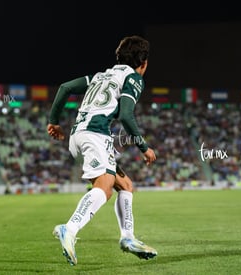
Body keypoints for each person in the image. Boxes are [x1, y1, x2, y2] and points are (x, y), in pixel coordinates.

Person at [47, 35, 158, 266]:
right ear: (144, 63)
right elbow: (127, 115)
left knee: (125, 185)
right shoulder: (134, 78)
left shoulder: (100, 75)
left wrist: (54, 121)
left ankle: (128, 238)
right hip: (95, 135)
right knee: (105, 188)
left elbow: (65, 87)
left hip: (79, 135)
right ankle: (70, 228)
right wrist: (144, 147)